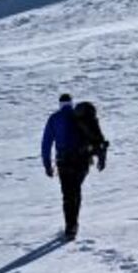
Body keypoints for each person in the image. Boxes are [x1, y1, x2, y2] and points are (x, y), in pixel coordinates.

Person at [40, 93, 108, 240]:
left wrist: (47, 165)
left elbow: (46, 143)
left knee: (68, 194)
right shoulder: (79, 116)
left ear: (60, 104)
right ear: (71, 103)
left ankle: (70, 226)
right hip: (82, 161)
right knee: (75, 191)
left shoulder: (54, 118)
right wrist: (100, 157)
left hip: (64, 162)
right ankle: (73, 224)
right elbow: (94, 136)